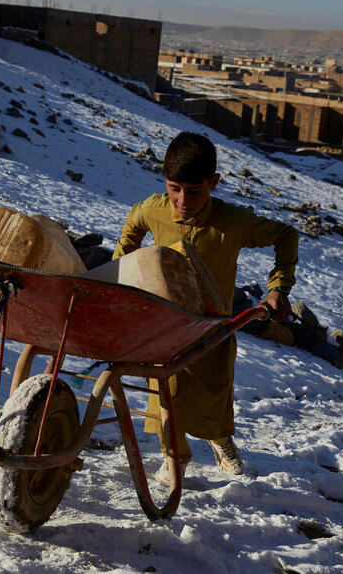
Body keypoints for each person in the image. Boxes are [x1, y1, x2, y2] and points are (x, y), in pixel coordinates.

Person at [113, 131, 298, 481]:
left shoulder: (234, 222)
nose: (182, 200)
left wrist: (278, 287)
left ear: (214, 182)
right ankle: (176, 453)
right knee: (165, 388)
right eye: (174, 188)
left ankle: (220, 439)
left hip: (213, 325)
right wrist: (122, 273)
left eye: (194, 191)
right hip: (165, 322)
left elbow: (287, 236)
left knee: (213, 392)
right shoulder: (154, 209)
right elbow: (132, 227)